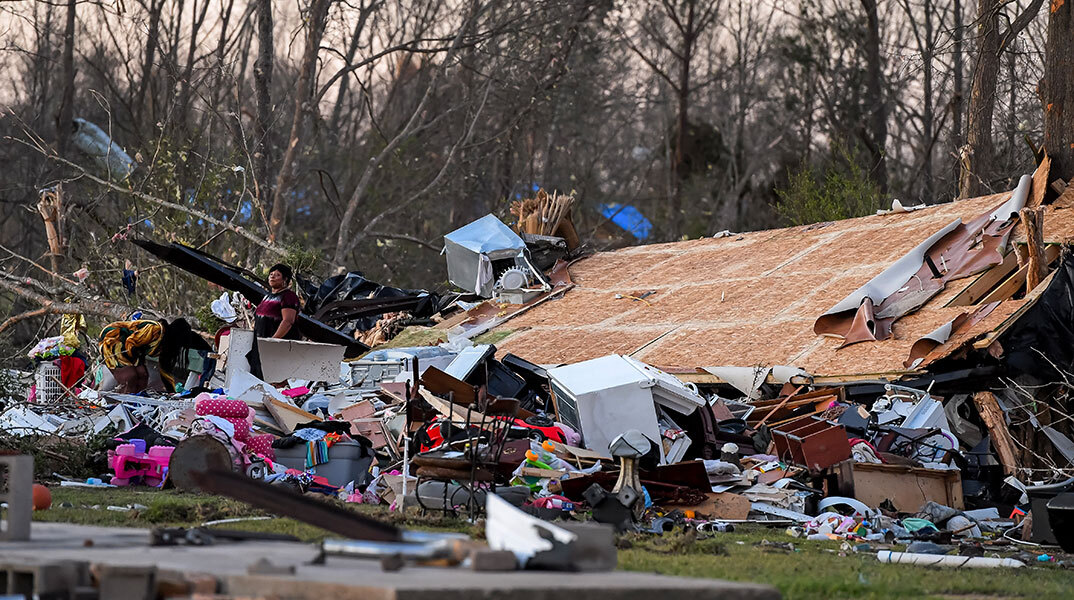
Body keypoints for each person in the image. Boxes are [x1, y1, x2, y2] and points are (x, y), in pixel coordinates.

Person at [98, 317, 196, 393]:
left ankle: (136, 399)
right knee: (129, 377)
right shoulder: (155, 329)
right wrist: (131, 364)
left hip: (133, 350)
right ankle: (123, 402)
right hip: (114, 341)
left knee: (143, 374)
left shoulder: (165, 341)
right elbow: (131, 342)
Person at [254, 263, 302, 340]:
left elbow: (288, 321)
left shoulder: (289, 296)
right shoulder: (267, 297)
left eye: (277, 275)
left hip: (279, 346)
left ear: (285, 279)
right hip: (261, 343)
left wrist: (272, 340)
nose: (272, 276)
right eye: (271, 274)